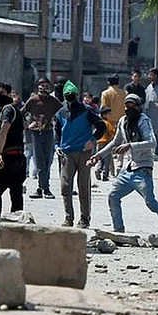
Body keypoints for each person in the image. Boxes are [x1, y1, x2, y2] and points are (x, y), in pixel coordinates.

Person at [88, 94, 158, 242]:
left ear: (138, 107)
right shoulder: (123, 121)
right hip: (128, 169)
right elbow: (115, 142)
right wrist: (98, 156)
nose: (128, 109)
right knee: (113, 196)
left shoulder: (143, 121)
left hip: (143, 169)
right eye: (126, 106)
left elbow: (152, 142)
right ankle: (118, 232)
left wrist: (130, 146)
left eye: (132, 106)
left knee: (151, 203)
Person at [55, 81, 107, 228]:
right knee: (65, 186)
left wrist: (93, 140)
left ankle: (85, 218)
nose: (70, 97)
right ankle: (68, 217)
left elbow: (101, 126)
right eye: (67, 95)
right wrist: (56, 146)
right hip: (67, 152)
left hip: (84, 152)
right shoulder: (60, 113)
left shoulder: (86, 110)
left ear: (76, 95)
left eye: (72, 95)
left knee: (83, 186)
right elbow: (57, 132)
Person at [23, 77, 63, 199]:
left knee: (47, 161)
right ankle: (45, 189)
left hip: (49, 132)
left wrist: (54, 122)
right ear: (38, 87)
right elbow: (21, 113)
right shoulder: (33, 100)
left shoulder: (53, 102)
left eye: (46, 86)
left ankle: (41, 188)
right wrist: (28, 124)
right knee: (39, 161)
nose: (44, 89)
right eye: (42, 86)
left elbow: (62, 113)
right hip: (36, 133)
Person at [0, 81, 27, 214]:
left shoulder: (7, 109)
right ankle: (17, 222)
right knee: (16, 194)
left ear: (8, 94)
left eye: (1, 93)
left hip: (8, 158)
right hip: (18, 158)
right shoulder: (14, 110)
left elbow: (4, 130)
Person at [100, 74, 127, 175]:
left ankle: (107, 169)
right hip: (122, 121)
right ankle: (119, 165)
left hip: (109, 122)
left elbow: (103, 108)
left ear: (108, 82)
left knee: (109, 145)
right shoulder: (124, 93)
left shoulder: (105, 93)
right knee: (121, 144)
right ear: (118, 82)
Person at [95, 107, 117, 180]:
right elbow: (111, 132)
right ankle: (105, 175)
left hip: (99, 142)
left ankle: (98, 169)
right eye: (109, 114)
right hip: (106, 143)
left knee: (100, 158)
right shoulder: (108, 123)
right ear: (104, 115)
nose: (110, 115)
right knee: (107, 159)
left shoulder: (99, 122)